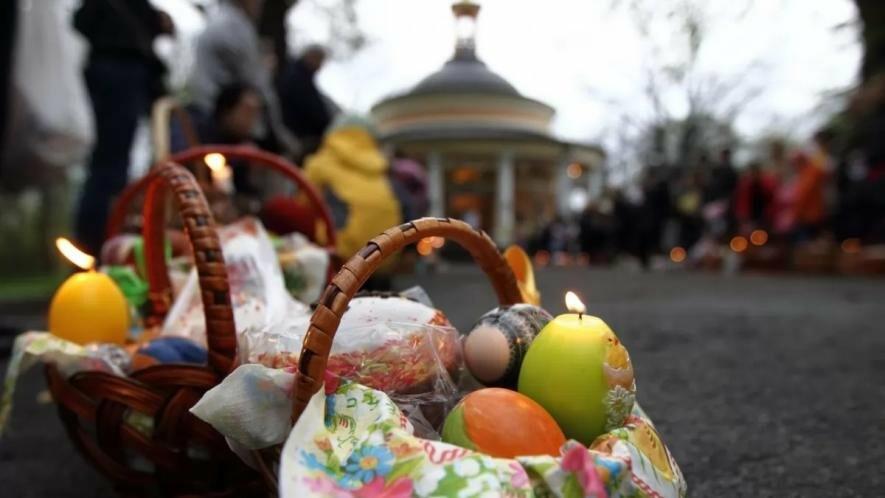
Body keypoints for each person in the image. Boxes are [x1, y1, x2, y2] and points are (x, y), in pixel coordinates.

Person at [73, 0, 174, 254]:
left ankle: (98, 242)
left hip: (116, 69)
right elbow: (82, 20)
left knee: (110, 164)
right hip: (119, 70)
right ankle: (95, 245)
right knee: (110, 166)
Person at [188, 0, 297, 158]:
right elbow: (257, 83)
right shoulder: (234, 27)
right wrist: (281, 137)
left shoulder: (223, 21)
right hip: (216, 124)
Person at [303, 116, 402, 264]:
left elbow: (303, 201)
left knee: (280, 208)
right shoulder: (381, 167)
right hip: (385, 254)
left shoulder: (319, 162)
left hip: (340, 253)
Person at [278, 45, 333, 161]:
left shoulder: (301, 76)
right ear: (311, 57)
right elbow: (311, 108)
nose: (320, 66)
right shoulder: (297, 77)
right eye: (319, 60)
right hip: (300, 137)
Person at [734, 162, 778, 232]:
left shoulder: (765, 183)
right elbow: (741, 202)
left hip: (763, 216)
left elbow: (771, 198)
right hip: (750, 216)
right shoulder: (745, 185)